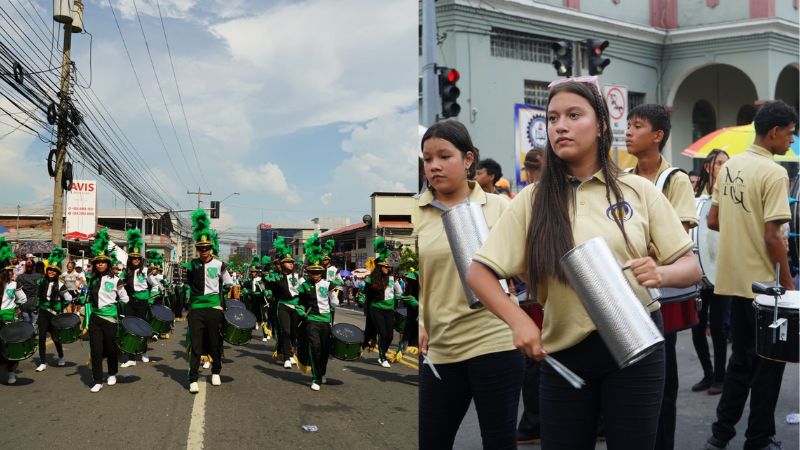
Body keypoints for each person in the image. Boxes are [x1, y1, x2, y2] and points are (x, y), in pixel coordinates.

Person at [466, 79, 701, 450]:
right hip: (564, 354)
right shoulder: (532, 199)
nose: (560, 125)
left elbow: (691, 267)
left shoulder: (638, 191)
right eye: (553, 118)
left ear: (602, 125)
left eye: (574, 115)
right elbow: (479, 272)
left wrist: (661, 273)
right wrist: (519, 322)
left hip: (637, 345)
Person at [417, 119, 523, 449]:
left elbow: (528, 265)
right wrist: (418, 319)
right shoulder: (414, 215)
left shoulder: (501, 208)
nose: (434, 166)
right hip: (441, 348)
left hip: (495, 342)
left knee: (498, 441)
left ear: (468, 159)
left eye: (444, 156)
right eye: (427, 159)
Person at [704, 100, 796, 450]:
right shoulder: (774, 172)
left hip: (732, 282)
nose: (791, 140)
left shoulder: (729, 166)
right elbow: (774, 236)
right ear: (773, 133)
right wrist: (788, 286)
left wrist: (741, 229)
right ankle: (758, 438)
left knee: (739, 362)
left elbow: (713, 221)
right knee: (769, 367)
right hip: (765, 288)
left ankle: (720, 434)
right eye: (789, 134)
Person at [626, 103, 699, 450]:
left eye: (637, 126)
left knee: (660, 382)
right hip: (623, 291)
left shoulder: (675, 180)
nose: (628, 131)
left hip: (656, 295)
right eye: (627, 125)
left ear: (657, 136)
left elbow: (678, 238)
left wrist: (635, 253)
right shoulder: (621, 176)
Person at [691, 149, 731, 395]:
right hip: (698, 270)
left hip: (721, 270)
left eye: (727, 164)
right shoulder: (697, 197)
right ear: (708, 167)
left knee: (717, 326)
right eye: (719, 163)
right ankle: (707, 373)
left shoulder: (729, 195)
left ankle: (720, 377)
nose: (723, 167)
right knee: (696, 326)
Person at [185, 210, 233, 393]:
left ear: (211, 247)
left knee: (215, 342)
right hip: (197, 308)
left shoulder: (220, 265)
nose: (203, 251)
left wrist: (221, 301)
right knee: (196, 344)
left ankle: (216, 372)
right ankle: (192, 378)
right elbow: (189, 285)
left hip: (214, 307)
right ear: (197, 248)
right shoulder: (191, 265)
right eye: (200, 248)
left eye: (206, 248)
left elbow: (229, 283)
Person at [82, 229, 130, 393]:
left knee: (110, 348)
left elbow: (125, 299)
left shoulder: (116, 280)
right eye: (97, 262)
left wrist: (119, 306)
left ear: (108, 264)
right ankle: (97, 380)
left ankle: (112, 372)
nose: (100, 264)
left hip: (110, 319)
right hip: (95, 318)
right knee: (95, 350)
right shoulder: (92, 279)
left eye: (103, 262)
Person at [295, 233, 339, 391]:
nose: (315, 275)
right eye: (313, 272)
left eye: (318, 272)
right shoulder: (303, 286)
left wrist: (333, 299)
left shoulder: (327, 285)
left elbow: (335, 301)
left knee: (325, 350)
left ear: (322, 271)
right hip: (311, 320)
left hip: (326, 321)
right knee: (315, 348)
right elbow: (298, 303)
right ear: (308, 272)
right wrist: (301, 311)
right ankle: (315, 377)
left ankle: (322, 372)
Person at [264, 237, 303, 369]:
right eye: (287, 262)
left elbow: (305, 291)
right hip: (283, 306)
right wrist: (268, 291)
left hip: (296, 307)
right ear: (281, 264)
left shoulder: (299, 276)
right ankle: (286, 357)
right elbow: (270, 291)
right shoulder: (276, 277)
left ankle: (292, 355)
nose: (291, 263)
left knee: (294, 333)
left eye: (292, 262)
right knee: (285, 331)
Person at [363, 237, 402, 368]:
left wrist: (400, 301)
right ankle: (382, 357)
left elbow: (400, 292)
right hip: (377, 308)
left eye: (389, 266)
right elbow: (366, 292)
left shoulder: (392, 278)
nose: (388, 268)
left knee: (390, 336)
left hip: (389, 309)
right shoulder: (373, 279)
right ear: (380, 267)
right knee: (383, 333)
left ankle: (383, 353)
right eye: (385, 266)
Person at [120, 230, 157, 367]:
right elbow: (120, 286)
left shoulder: (146, 270)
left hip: (142, 301)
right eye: (132, 258)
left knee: (142, 327)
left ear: (140, 259)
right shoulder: (126, 271)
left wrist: (151, 299)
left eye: (137, 258)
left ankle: (144, 351)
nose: (135, 260)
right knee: (129, 327)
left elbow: (155, 285)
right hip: (130, 302)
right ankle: (130, 357)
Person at [34, 248, 72, 372]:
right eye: (49, 269)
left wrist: (60, 306)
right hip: (43, 312)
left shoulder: (61, 285)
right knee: (42, 337)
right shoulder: (41, 282)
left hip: (55, 314)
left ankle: (61, 356)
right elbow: (37, 297)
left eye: (54, 270)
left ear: (57, 272)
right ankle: (43, 361)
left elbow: (68, 298)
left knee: (56, 337)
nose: (51, 272)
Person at [0, 238, 27, 384]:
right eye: (9, 271)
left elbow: (22, 299)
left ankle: (11, 373)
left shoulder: (14, 285)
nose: (12, 273)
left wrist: (16, 307)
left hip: (9, 319)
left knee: (9, 347)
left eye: (12, 271)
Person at [16, 259, 42, 327]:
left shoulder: (20, 277)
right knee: (33, 324)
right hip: (32, 304)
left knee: (27, 324)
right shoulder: (39, 276)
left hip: (27, 304)